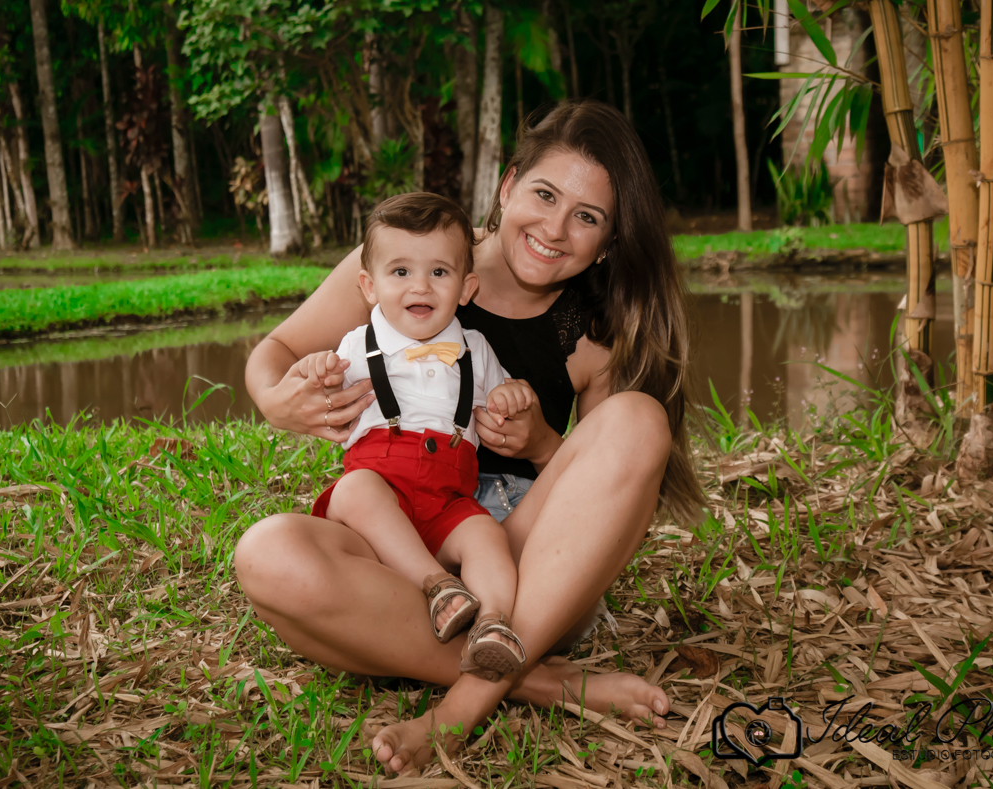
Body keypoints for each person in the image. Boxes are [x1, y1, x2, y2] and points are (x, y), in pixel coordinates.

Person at [236, 99, 704, 774]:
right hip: (392, 550)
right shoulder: (405, 255)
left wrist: (544, 443)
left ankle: (459, 707)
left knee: (639, 419)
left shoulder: (594, 334)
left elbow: (607, 504)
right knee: (267, 553)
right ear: (509, 184)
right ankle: (545, 681)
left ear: (607, 241)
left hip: (514, 564)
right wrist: (277, 401)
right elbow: (275, 349)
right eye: (544, 194)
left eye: (587, 217)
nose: (554, 228)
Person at [312, 192, 529, 681]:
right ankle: (437, 586)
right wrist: (319, 373)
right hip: (381, 488)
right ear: (369, 286)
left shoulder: (474, 347)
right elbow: (322, 391)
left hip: (449, 497)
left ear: (466, 287)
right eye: (401, 272)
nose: (421, 287)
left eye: (439, 272)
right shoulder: (357, 344)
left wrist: (514, 396)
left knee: (487, 536)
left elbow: (501, 400)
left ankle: (495, 623)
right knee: (355, 490)